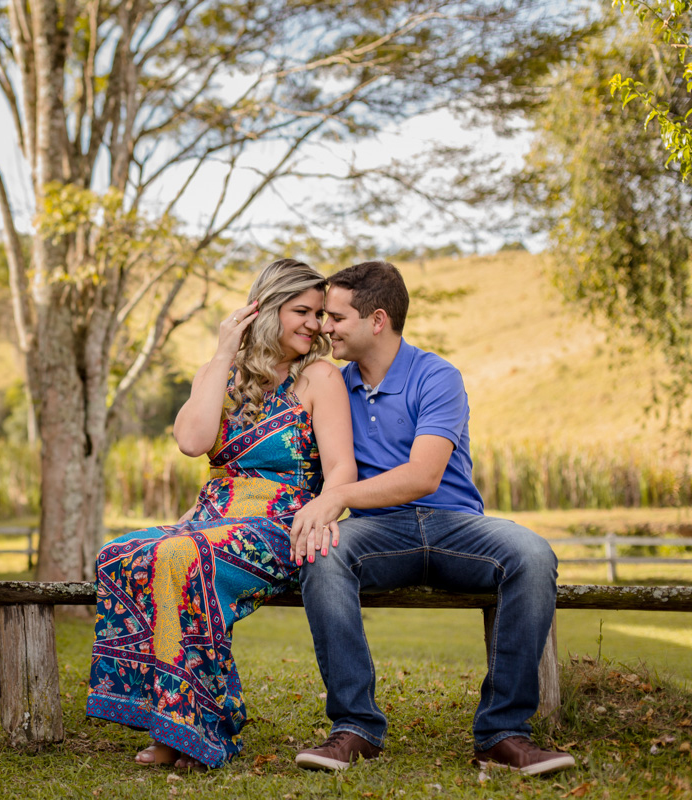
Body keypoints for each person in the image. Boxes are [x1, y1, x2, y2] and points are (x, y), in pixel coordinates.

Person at [289, 260, 575, 776]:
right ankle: (356, 728)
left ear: (377, 320)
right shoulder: (333, 385)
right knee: (324, 555)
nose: (324, 327)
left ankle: (503, 733)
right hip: (380, 532)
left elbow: (423, 475)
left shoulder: (436, 376)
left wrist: (338, 498)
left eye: (336, 317)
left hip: (456, 526)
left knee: (532, 554)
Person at [85, 259, 356, 770]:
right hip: (211, 515)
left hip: (283, 523)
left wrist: (325, 509)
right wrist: (223, 353)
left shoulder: (319, 376)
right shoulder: (217, 375)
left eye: (320, 314)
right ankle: (172, 718)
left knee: (186, 557)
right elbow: (192, 442)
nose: (315, 325)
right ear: (264, 309)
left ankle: (198, 729)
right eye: (302, 311)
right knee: (122, 552)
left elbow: (342, 467)